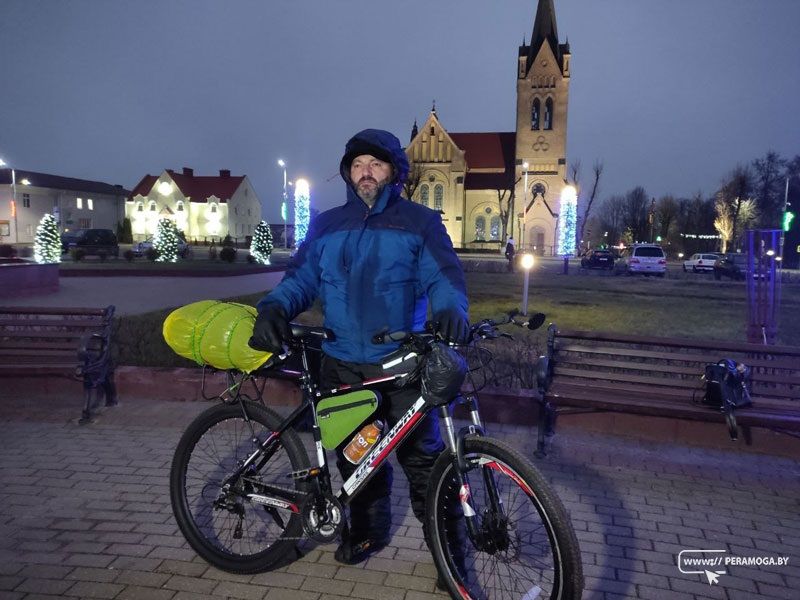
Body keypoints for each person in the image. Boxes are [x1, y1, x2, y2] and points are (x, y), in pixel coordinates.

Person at [249, 128, 469, 567]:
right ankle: (367, 533)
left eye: (376, 164)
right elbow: (302, 280)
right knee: (356, 459)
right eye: (357, 165)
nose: (365, 172)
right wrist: (274, 307)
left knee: (426, 468)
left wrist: (450, 311)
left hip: (404, 367)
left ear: (394, 172)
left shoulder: (420, 223)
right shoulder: (327, 225)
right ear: (349, 174)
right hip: (344, 365)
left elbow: (443, 277)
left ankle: (450, 558)